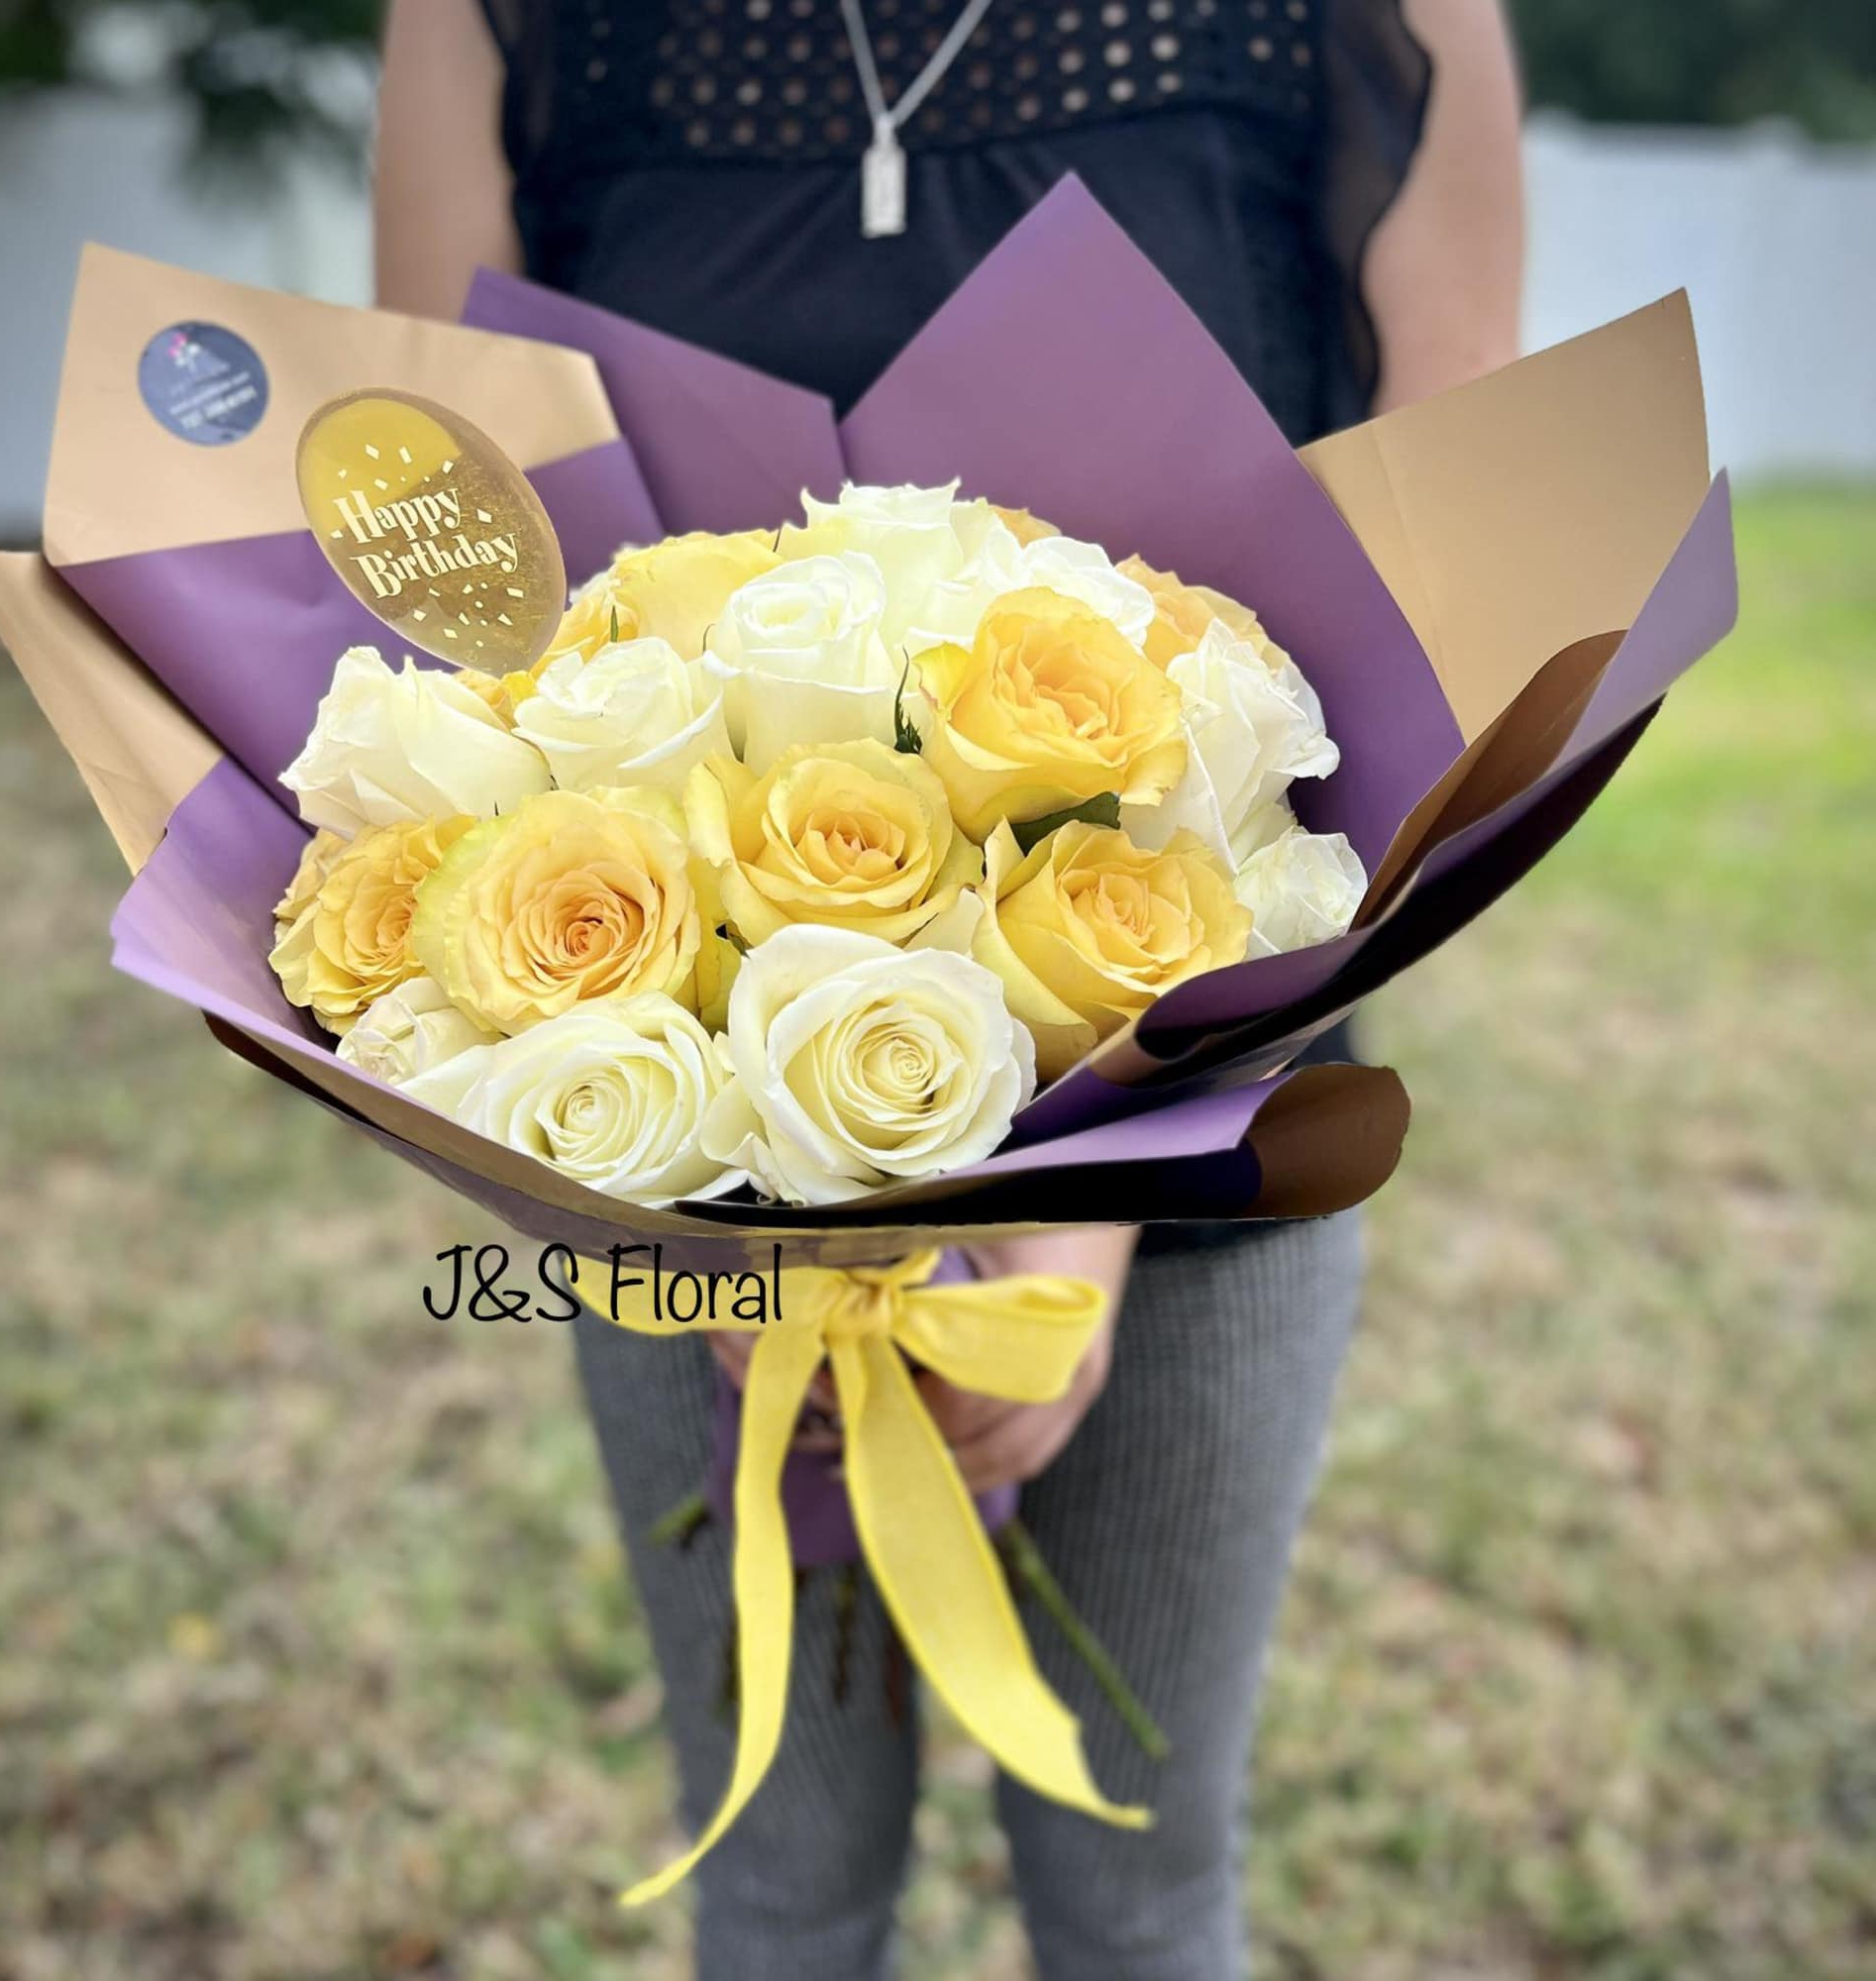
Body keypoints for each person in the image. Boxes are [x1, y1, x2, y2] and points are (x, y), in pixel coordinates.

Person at [373, 3, 1522, 1974]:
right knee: (781, 1882)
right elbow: (451, 602)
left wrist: (1097, 1179)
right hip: (669, 1124)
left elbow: (1454, 626)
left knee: (1141, 1878)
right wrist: (729, 1193)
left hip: (1209, 1123)